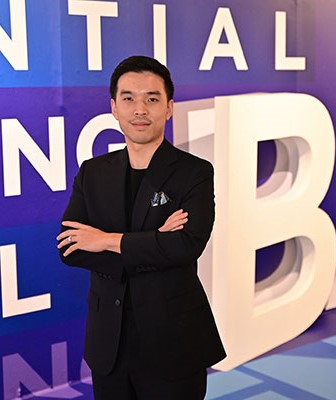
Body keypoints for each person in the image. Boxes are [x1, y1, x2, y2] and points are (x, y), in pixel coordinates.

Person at [57, 55, 226, 399]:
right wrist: (153, 242)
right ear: (114, 108)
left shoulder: (194, 172)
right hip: (109, 342)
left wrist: (105, 240)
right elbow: (70, 248)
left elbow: (186, 246)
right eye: (128, 98)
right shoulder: (93, 172)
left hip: (174, 340)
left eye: (152, 99)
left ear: (169, 108)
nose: (140, 109)